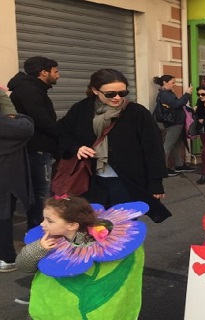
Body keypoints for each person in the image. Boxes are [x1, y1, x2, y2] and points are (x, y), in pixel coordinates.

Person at [57, 68, 171, 223]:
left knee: (124, 227)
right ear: (95, 90)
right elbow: (62, 133)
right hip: (90, 181)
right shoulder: (81, 109)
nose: (117, 98)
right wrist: (76, 148)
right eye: (110, 94)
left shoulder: (137, 113)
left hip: (126, 181)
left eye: (122, 93)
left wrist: (156, 183)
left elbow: (153, 148)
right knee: (94, 226)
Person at [16, 195, 146, 319]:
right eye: (43, 218)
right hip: (53, 307)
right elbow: (23, 265)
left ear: (72, 225)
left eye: (49, 221)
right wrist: (39, 248)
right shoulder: (45, 239)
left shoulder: (102, 241)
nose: (42, 224)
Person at [7, 56, 60, 230]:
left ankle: (37, 227)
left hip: (36, 148)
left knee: (38, 191)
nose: (58, 75)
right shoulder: (30, 91)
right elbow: (42, 121)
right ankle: (39, 230)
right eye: (55, 71)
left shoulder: (32, 89)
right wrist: (64, 135)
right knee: (41, 192)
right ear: (43, 72)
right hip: (37, 149)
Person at [0, 93, 34, 272]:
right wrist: (15, 116)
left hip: (6, 179)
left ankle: (6, 257)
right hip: (7, 179)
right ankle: (6, 257)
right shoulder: (12, 125)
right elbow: (26, 126)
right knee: (3, 215)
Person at [153, 75, 194, 177]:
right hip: (173, 124)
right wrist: (187, 94)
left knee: (176, 144)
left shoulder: (167, 93)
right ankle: (162, 168)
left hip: (176, 122)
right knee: (168, 145)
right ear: (165, 83)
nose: (174, 84)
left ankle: (179, 165)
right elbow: (176, 104)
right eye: (172, 82)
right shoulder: (165, 94)